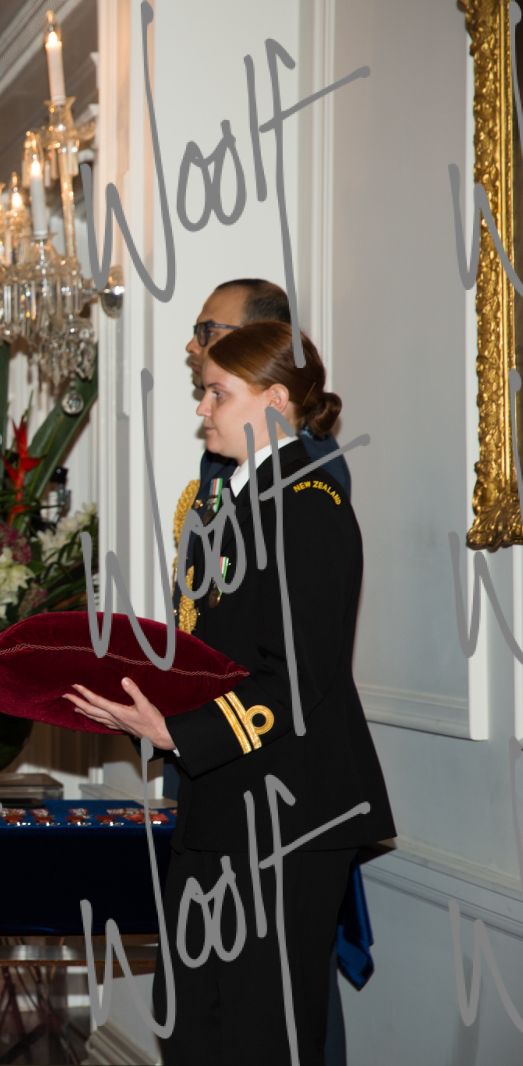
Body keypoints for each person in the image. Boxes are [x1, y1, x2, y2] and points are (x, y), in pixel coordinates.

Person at [64, 321, 395, 1066]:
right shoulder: (235, 505)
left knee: (261, 1033)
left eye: (218, 392)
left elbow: (298, 678)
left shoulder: (309, 506)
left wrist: (179, 733)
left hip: (288, 813)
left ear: (275, 400)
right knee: (192, 1020)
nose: (202, 408)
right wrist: (147, 699)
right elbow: (218, 659)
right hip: (224, 801)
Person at [186, 278, 350, 495]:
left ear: (260, 337)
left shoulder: (309, 467)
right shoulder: (225, 446)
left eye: (209, 331)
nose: (191, 346)